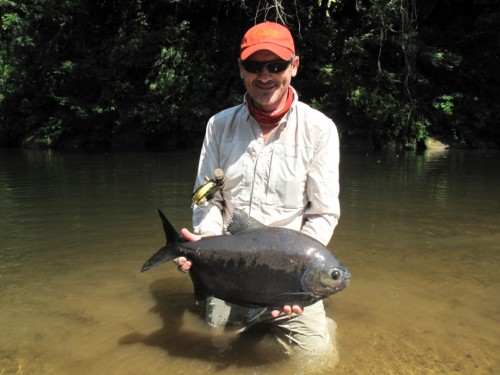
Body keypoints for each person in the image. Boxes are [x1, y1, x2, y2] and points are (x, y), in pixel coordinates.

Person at [177, 21, 341, 356]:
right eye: (254, 66)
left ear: (294, 67)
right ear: (241, 69)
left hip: (290, 281)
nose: (264, 76)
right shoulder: (219, 126)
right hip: (231, 272)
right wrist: (204, 243)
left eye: (276, 66)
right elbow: (206, 198)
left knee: (318, 360)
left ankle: (316, 321)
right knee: (212, 354)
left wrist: (298, 280)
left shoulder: (320, 130)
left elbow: (323, 215)